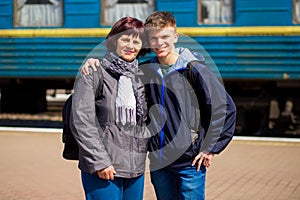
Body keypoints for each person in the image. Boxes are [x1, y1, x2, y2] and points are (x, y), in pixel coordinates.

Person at [82, 11, 236, 200]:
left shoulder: (193, 70)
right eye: (153, 38)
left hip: (190, 163)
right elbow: (118, 66)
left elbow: (225, 108)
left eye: (165, 37)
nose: (159, 43)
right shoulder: (145, 71)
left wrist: (211, 147)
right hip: (159, 163)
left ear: (175, 37)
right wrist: (94, 61)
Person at [70, 17, 149, 200]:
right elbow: (82, 121)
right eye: (125, 39)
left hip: (135, 168)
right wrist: (99, 162)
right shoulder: (94, 72)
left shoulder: (142, 76)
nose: (131, 45)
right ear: (114, 41)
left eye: (136, 41)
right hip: (104, 167)